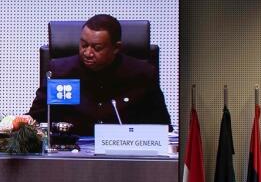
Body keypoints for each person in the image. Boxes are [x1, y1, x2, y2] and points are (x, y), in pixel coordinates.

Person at [27, 13, 170, 139]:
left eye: (97, 48)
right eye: (83, 45)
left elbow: (163, 126)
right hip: (72, 151)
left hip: (125, 154)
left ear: (116, 48)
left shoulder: (142, 74)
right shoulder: (60, 72)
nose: (88, 53)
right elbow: (37, 117)